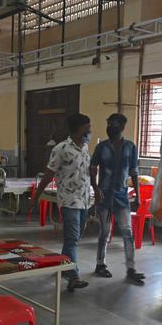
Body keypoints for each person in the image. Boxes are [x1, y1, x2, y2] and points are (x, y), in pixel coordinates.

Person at [31, 113, 92, 292]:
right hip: (69, 200)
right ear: (79, 128)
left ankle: (64, 267)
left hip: (85, 200)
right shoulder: (61, 149)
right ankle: (73, 276)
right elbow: (48, 174)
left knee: (74, 238)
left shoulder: (86, 147)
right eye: (88, 127)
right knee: (72, 239)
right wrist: (36, 196)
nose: (90, 130)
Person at [90, 113, 145, 285]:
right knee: (104, 233)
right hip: (104, 196)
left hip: (122, 196)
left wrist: (138, 195)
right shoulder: (101, 147)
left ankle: (131, 269)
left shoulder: (130, 147)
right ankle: (100, 264)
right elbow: (92, 170)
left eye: (113, 123)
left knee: (128, 233)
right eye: (108, 123)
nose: (109, 126)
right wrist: (96, 189)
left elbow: (134, 173)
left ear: (122, 126)